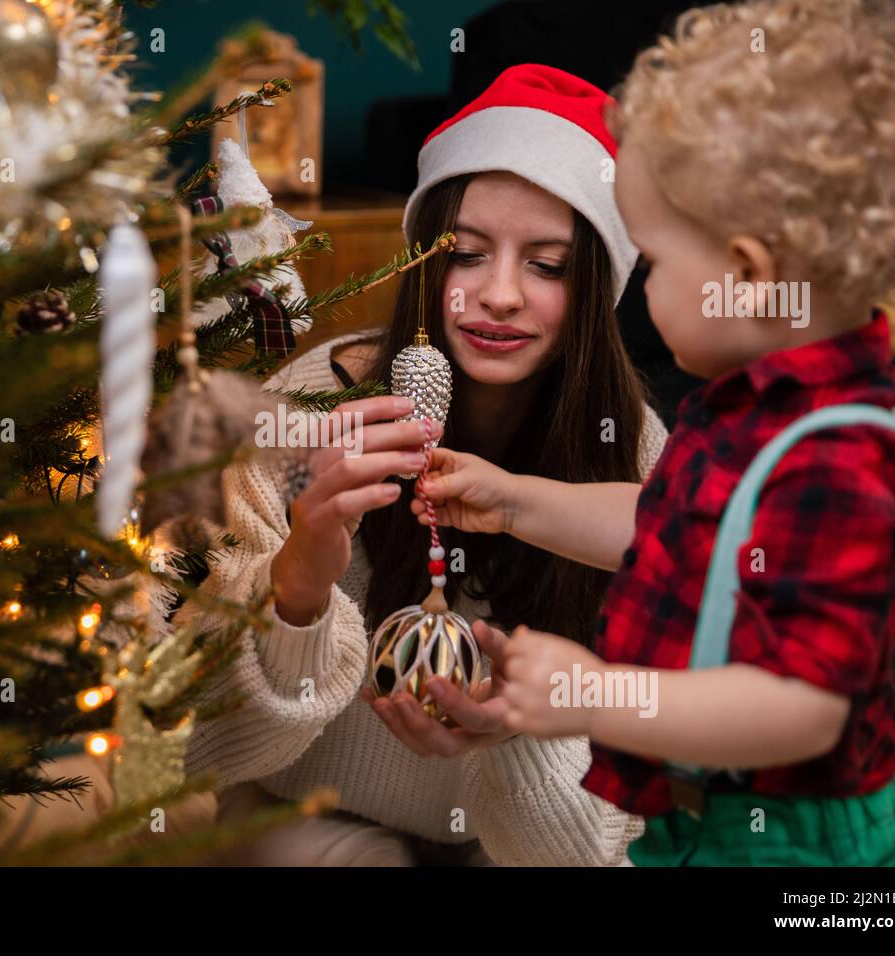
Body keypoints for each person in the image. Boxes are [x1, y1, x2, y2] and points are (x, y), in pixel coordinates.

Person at [414, 0, 895, 865]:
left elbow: (805, 707)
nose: (645, 294)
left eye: (658, 263)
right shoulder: (752, 401)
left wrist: (599, 697)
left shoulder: (840, 453)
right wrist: (516, 502)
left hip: (795, 848)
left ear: (745, 273)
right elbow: (673, 526)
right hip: (691, 821)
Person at [175, 65, 668, 865]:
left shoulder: (638, 458)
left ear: (597, 289)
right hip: (307, 815)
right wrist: (298, 582)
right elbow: (217, 744)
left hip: (511, 840)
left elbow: (585, 850)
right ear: (423, 265)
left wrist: (514, 732)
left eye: (548, 264)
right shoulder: (301, 410)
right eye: (465, 255)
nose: (498, 295)